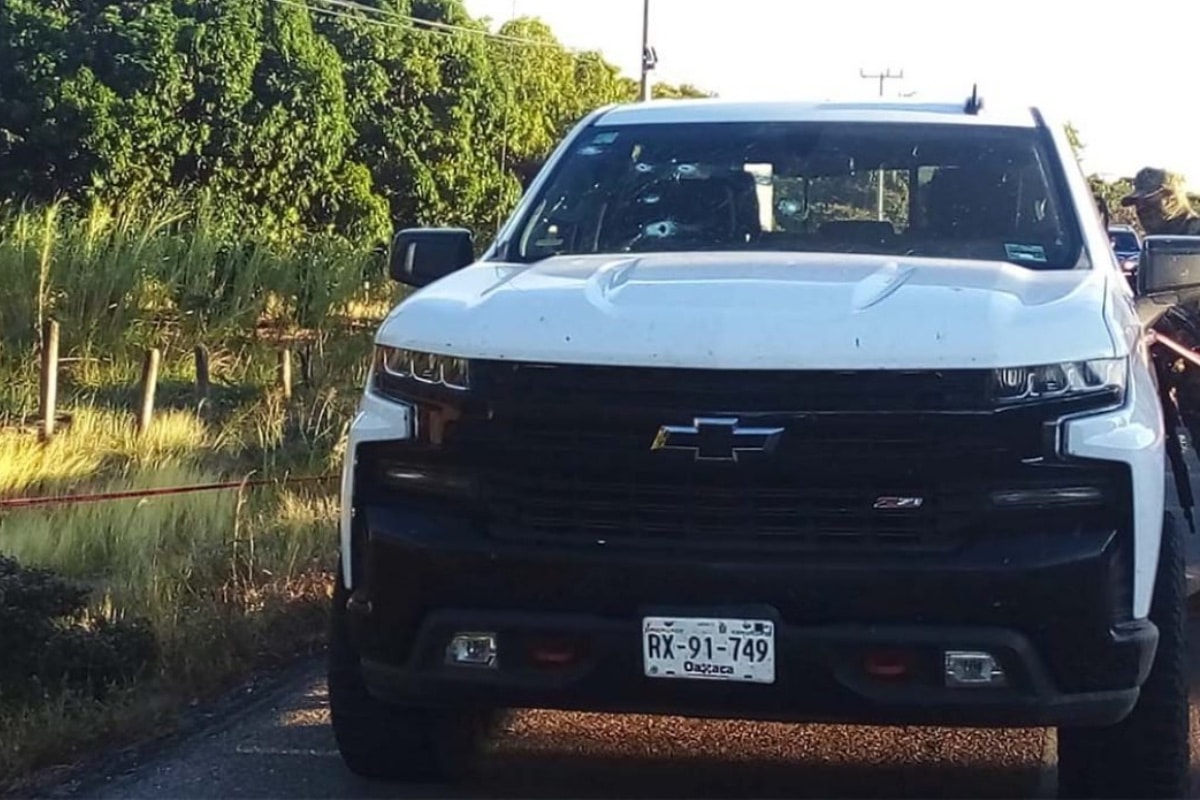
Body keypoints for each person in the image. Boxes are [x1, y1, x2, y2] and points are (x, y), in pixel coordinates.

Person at [1120, 167, 1200, 235]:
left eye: (1148, 202)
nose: (1141, 209)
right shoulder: (1153, 243)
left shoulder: (1196, 234)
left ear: (1172, 198)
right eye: (1136, 203)